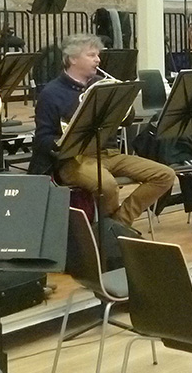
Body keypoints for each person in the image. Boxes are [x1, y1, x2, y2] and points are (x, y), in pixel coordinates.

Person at [30, 34, 175, 229]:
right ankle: (112, 232)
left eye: (97, 55)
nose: (98, 60)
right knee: (106, 185)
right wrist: (63, 142)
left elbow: (127, 121)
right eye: (91, 55)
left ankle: (117, 224)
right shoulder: (51, 93)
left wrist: (124, 103)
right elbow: (43, 138)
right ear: (73, 59)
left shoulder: (102, 84)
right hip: (75, 159)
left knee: (164, 175)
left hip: (109, 153)